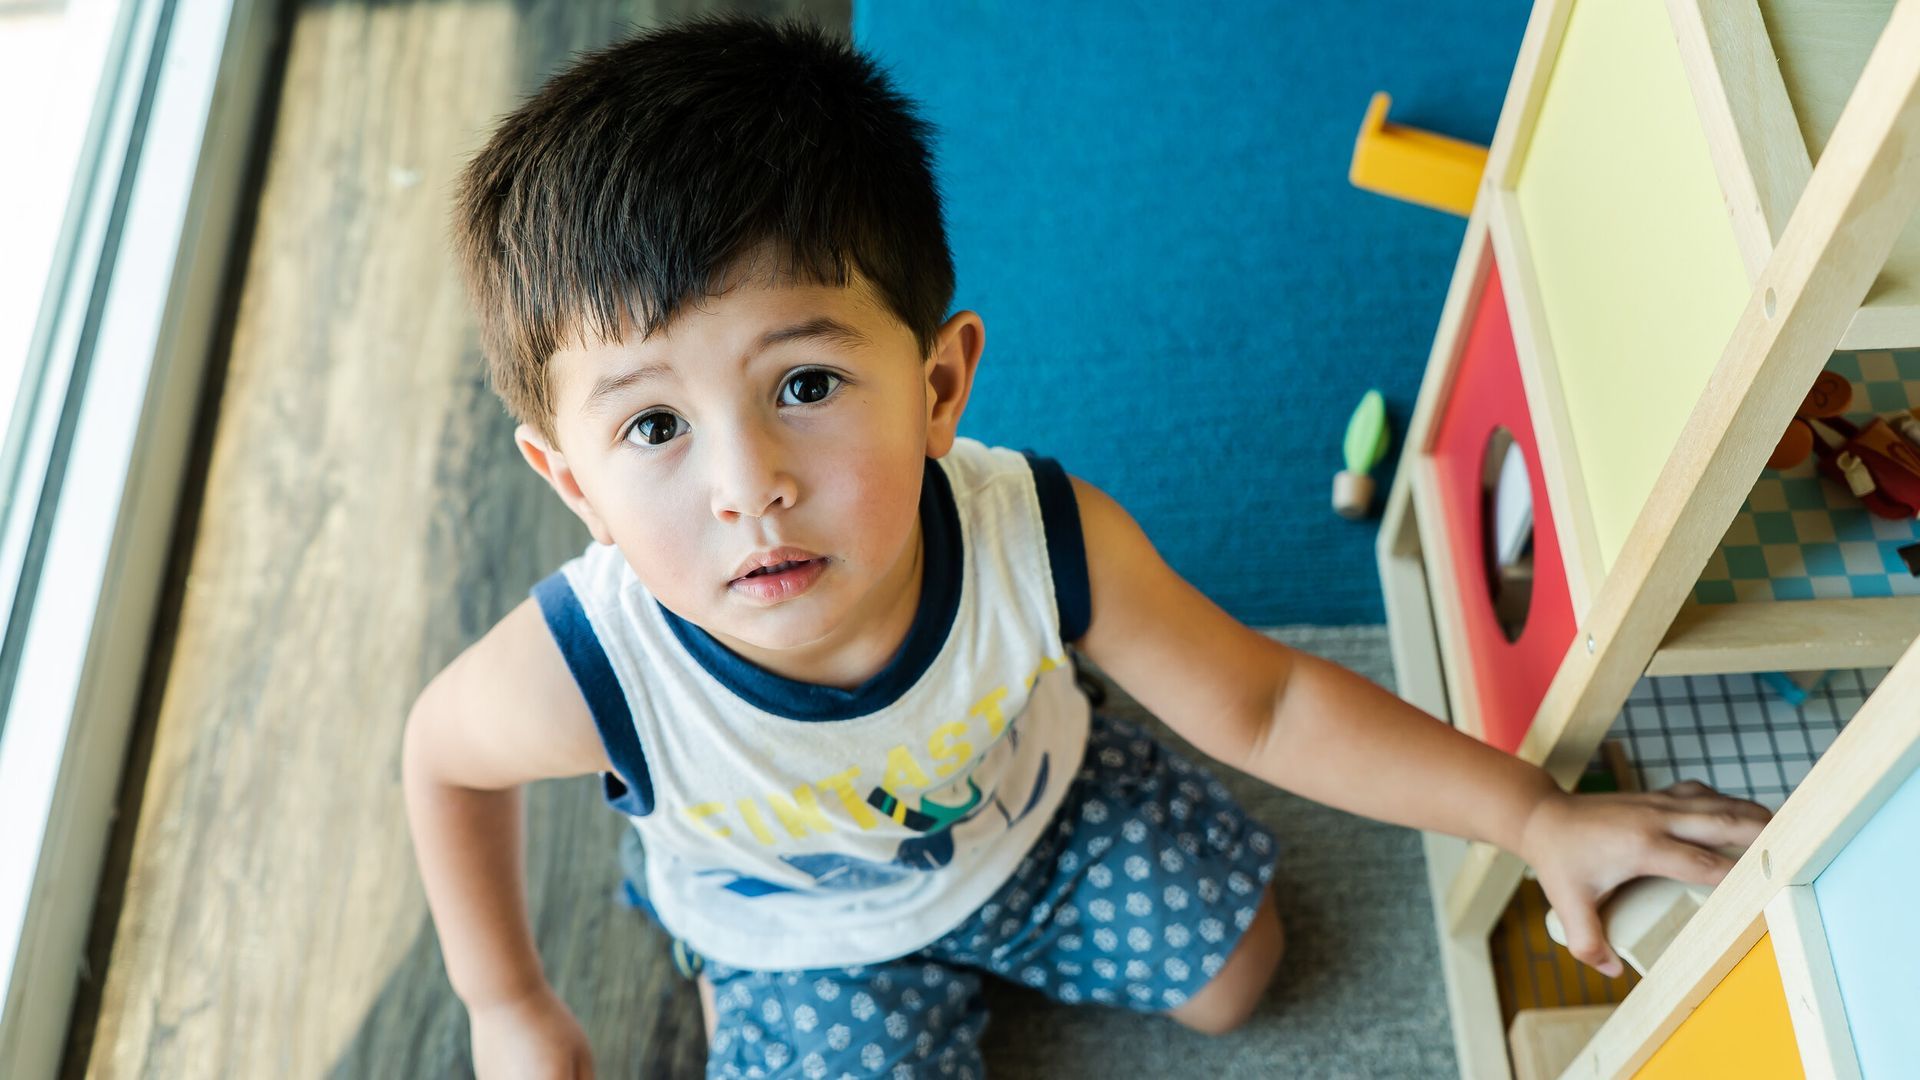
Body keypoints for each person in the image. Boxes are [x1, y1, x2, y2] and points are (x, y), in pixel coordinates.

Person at [402, 14, 1772, 1079]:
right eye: (652, 430)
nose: (748, 488)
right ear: (567, 479)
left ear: (941, 387)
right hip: (791, 942)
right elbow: (442, 758)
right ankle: (723, 972)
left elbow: (1273, 699)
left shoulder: (1036, 537)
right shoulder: (593, 663)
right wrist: (505, 999)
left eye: (805, 387)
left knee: (1247, 973)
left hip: (1035, 816)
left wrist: (1534, 816)